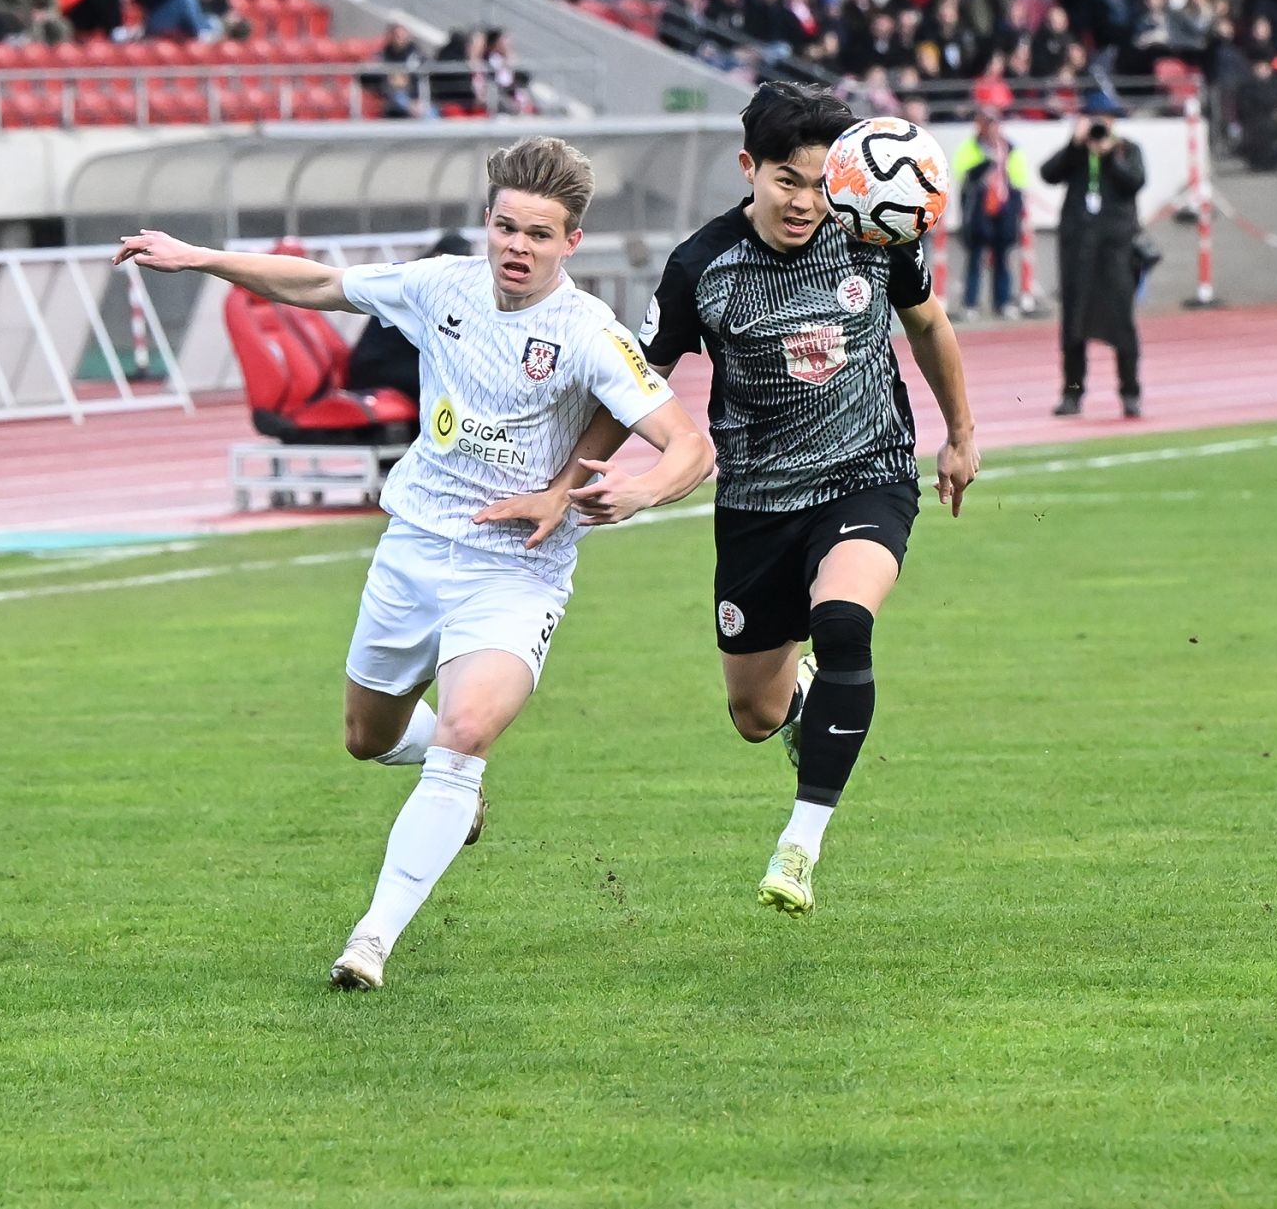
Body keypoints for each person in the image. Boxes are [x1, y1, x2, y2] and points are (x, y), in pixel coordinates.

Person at [113, 137, 714, 990]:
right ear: (488, 221)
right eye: (507, 227)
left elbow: (690, 445)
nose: (518, 246)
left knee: (466, 733)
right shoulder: (440, 285)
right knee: (368, 737)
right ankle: (451, 785)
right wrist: (199, 258)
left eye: (539, 234)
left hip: (516, 568)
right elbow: (319, 284)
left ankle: (372, 938)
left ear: (571, 242)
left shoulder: (589, 333)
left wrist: (637, 492)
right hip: (415, 547)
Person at [551, 82, 979, 916]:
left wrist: (960, 433)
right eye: (788, 180)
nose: (806, 202)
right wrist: (567, 481)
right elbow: (639, 382)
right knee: (755, 714)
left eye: (821, 183)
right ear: (749, 167)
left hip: (867, 474)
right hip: (756, 504)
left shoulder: (872, 234)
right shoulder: (701, 266)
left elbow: (928, 324)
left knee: (844, 620)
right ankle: (803, 698)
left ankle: (800, 845)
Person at [1039, 90, 1148, 419]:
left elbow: (1135, 181)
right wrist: (1076, 145)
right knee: (1073, 327)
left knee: (1122, 324)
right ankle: (1072, 393)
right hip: (1078, 251)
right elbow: (1048, 174)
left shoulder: (1127, 150)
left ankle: (1130, 392)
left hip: (1115, 251)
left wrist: (1110, 155)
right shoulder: (1076, 153)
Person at [343, 228, 471, 407]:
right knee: (446, 380)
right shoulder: (415, 287)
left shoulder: (434, 286)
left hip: (395, 363)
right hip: (375, 369)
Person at [953, 106, 1035, 322]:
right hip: (979, 211)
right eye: (987, 123)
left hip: (1003, 209)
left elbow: (1019, 180)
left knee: (1002, 258)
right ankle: (970, 303)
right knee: (975, 258)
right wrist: (987, 161)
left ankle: (1003, 302)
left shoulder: (1010, 149)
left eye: (994, 123)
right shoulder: (970, 147)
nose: (991, 128)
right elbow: (964, 174)